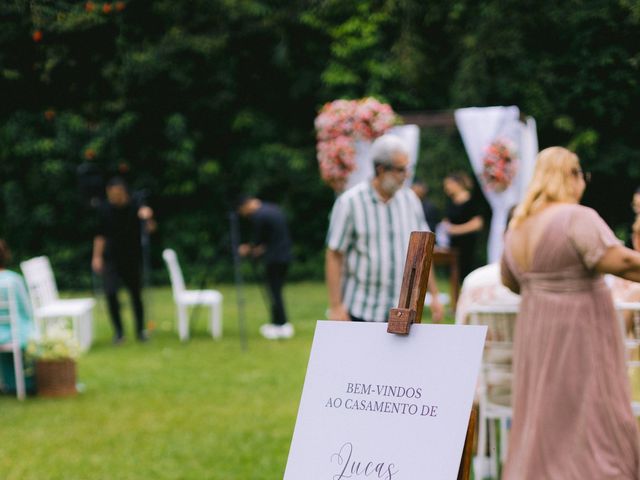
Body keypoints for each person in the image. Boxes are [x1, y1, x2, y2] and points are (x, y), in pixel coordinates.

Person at [500, 146, 640, 479]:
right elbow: (619, 260)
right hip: (579, 328)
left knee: (546, 409)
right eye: (581, 175)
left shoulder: (518, 224)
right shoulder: (576, 216)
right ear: (571, 176)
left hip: (536, 328)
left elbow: (510, 280)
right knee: (591, 405)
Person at [325, 134, 444, 323]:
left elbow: (423, 253)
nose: (406, 175)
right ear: (380, 169)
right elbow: (334, 254)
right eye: (400, 170)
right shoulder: (350, 202)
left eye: (407, 169)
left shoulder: (410, 200)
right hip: (361, 308)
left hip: (403, 310)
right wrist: (336, 306)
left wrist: (435, 295)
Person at [92, 177, 156, 343]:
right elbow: (100, 235)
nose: (113, 198)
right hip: (111, 258)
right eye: (110, 194)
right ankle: (119, 332)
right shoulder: (105, 209)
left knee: (136, 294)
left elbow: (151, 230)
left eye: (116, 194)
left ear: (123, 192)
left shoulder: (136, 205)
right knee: (111, 292)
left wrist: (147, 217)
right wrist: (97, 256)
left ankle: (140, 331)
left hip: (132, 256)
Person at [237, 195, 294, 340]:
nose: (245, 215)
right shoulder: (272, 209)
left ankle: (281, 324)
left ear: (246, 205)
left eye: (243, 212)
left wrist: (247, 249)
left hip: (274, 258)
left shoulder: (259, 216)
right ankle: (278, 322)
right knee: (277, 290)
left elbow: (258, 241)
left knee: (274, 291)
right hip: (285, 255)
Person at [0, 239, 35, 392]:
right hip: (14, 334)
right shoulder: (13, 280)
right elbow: (26, 310)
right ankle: (27, 383)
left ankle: (8, 382)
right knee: (31, 328)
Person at [441, 172, 484, 283]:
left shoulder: (471, 201)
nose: (446, 187)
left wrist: (456, 230)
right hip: (453, 245)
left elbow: (477, 223)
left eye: (448, 184)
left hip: (468, 245)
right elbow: (447, 220)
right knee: (454, 276)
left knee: (466, 275)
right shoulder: (450, 202)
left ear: (458, 184)